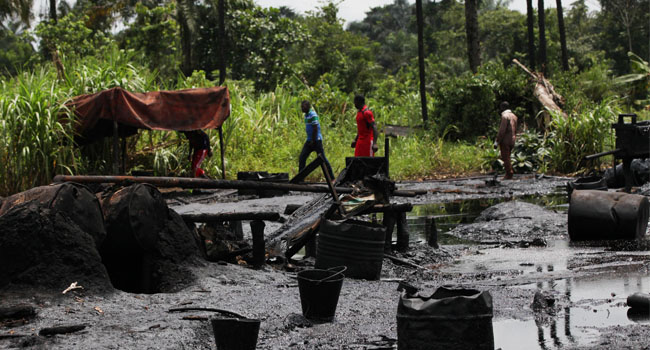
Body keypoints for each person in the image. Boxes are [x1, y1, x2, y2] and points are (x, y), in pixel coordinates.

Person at [299, 100, 335, 179]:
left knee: (323, 159)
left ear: (308, 107)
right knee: (302, 157)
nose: (302, 108)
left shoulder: (313, 114)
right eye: (301, 106)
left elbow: (315, 129)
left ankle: (332, 178)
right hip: (309, 140)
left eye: (303, 106)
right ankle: (300, 178)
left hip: (316, 140)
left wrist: (313, 141)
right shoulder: (306, 115)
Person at [496, 101, 518, 180]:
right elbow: (515, 129)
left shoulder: (505, 116)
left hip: (505, 140)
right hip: (512, 139)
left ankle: (509, 173)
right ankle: (509, 172)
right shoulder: (514, 116)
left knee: (505, 157)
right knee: (508, 157)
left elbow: (502, 131)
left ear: (502, 108)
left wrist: (497, 141)